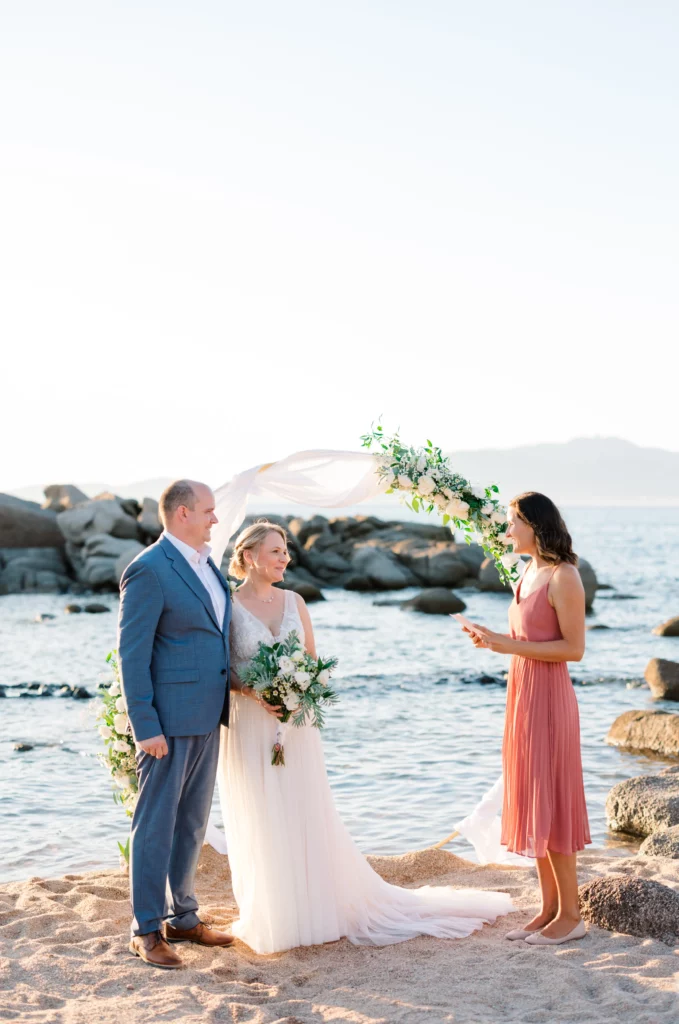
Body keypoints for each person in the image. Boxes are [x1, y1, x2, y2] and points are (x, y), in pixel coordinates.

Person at [218, 519, 514, 955]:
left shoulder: (296, 601)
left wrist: (297, 693)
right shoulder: (226, 606)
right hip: (248, 724)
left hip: (297, 727)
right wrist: (253, 690)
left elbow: (312, 663)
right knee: (262, 813)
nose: (286, 558)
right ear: (248, 556)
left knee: (303, 811)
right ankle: (277, 913)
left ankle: (317, 907)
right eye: (277, 551)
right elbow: (220, 669)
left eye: (286, 551)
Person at [464, 492, 590, 945]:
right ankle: (550, 907)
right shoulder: (528, 571)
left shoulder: (564, 576)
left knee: (552, 796)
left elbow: (573, 649)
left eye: (513, 521)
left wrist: (505, 644)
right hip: (522, 694)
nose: (508, 530)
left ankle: (572, 916)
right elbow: (524, 636)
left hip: (550, 698)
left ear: (535, 525)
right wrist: (492, 640)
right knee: (532, 793)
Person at [118, 479, 234, 969]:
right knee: (155, 826)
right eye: (208, 511)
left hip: (208, 715)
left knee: (191, 825)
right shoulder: (148, 570)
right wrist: (145, 725)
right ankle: (146, 929)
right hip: (166, 722)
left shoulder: (207, 564)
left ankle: (183, 919)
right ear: (182, 513)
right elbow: (132, 653)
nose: (214, 519)